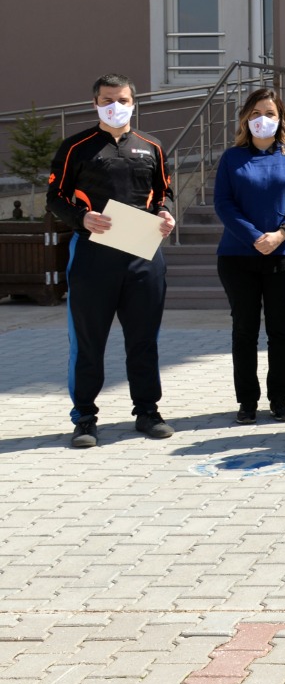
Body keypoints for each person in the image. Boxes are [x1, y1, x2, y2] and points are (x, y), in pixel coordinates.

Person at [48, 74, 177, 448]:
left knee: (144, 339)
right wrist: (82, 218)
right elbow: (55, 197)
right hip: (93, 255)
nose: (115, 106)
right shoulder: (76, 147)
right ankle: (84, 418)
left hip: (142, 254)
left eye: (122, 100)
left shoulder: (152, 147)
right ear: (95, 103)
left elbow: (163, 194)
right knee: (88, 341)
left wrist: (165, 214)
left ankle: (147, 411)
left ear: (134, 103)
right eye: (107, 100)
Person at [213, 88, 285, 424]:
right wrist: (255, 237)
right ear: (245, 118)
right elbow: (223, 203)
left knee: (280, 330)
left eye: (270, 113)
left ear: (280, 118)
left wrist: (281, 233)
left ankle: (279, 399)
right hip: (238, 256)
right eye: (255, 113)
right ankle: (247, 402)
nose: (262, 119)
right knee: (244, 330)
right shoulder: (231, 158)